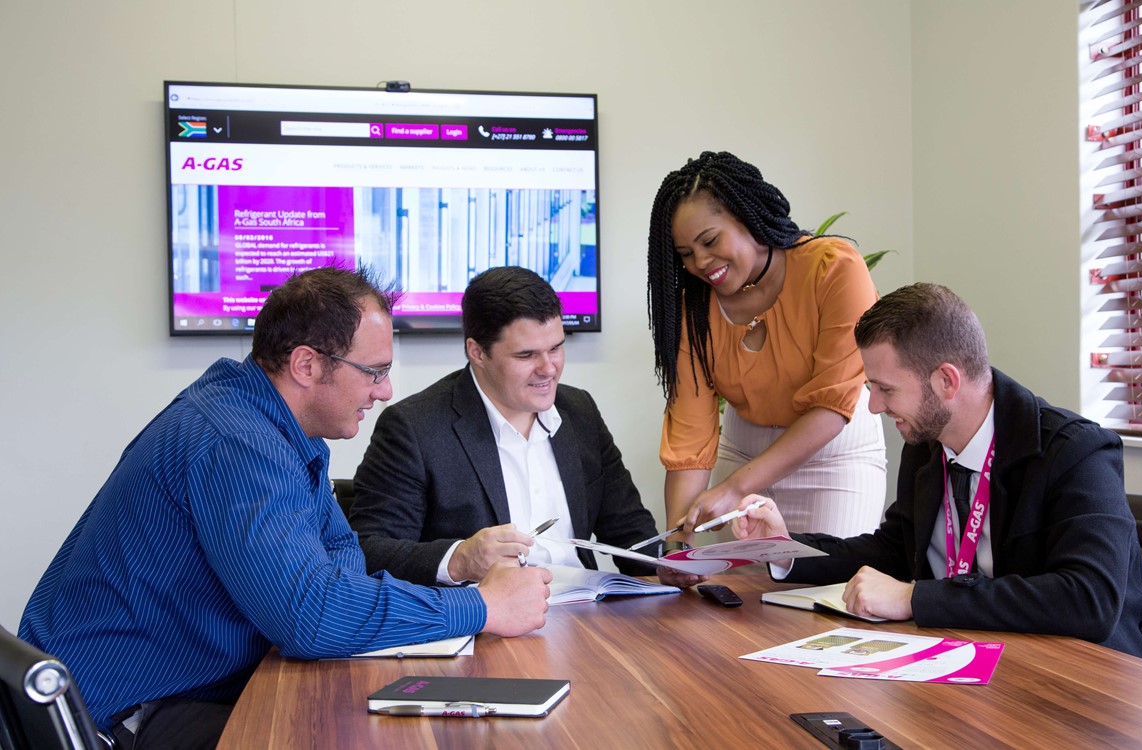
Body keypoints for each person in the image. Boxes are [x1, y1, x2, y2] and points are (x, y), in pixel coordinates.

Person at [19, 267, 553, 749]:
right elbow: (313, 615)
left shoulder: (280, 431)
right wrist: (481, 606)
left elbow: (339, 572)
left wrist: (364, 609)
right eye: (374, 371)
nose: (385, 391)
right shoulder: (234, 439)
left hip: (180, 689)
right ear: (306, 365)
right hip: (124, 716)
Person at [732, 282, 1142, 672]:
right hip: (987, 663)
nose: (873, 406)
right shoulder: (925, 444)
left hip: (1103, 680)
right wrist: (784, 548)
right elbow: (894, 548)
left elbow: (1088, 599)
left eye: (885, 389)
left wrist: (918, 599)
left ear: (946, 381)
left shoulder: (1075, 452)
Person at [351, 265, 702, 588]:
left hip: (587, 616)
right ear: (477, 352)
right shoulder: (414, 427)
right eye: (526, 355)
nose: (548, 368)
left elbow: (630, 533)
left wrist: (669, 563)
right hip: (483, 625)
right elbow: (369, 550)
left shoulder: (579, 411)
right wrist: (459, 559)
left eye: (556, 348)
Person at [646, 150, 887, 545]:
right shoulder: (694, 310)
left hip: (834, 453)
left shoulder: (833, 268)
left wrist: (734, 488)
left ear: (748, 215)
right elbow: (690, 435)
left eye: (709, 241)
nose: (701, 263)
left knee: (826, 595)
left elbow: (831, 407)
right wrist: (678, 541)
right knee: (740, 601)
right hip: (743, 450)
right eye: (686, 254)